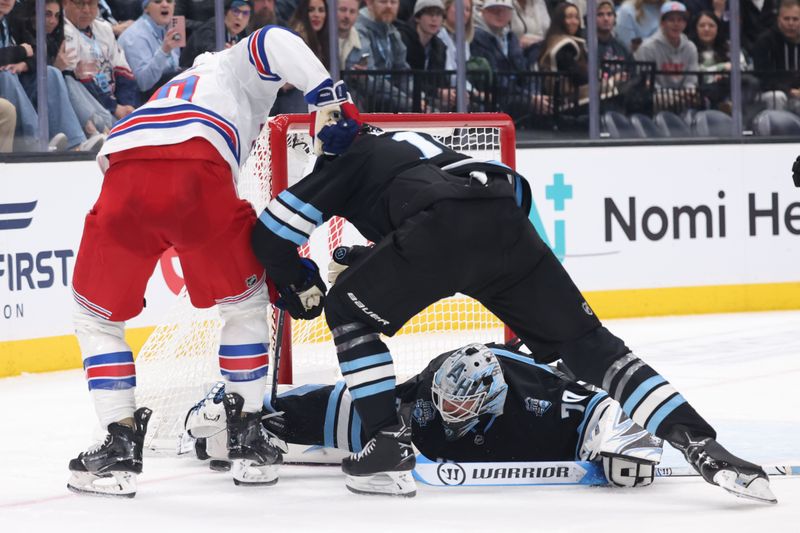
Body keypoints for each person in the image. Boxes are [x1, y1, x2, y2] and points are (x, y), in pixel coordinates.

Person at [249, 124, 776, 503]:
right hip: (503, 219)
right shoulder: (413, 147)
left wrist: (300, 282)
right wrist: (379, 259)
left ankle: (388, 442)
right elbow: (475, 206)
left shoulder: (348, 159)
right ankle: (702, 443)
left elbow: (270, 232)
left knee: (347, 310)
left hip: (440, 228)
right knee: (593, 348)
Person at [66, 24, 361, 498]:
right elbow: (273, 39)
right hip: (199, 167)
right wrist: (328, 93)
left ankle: (118, 446)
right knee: (243, 308)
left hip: (122, 173)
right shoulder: (229, 64)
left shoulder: (166, 89)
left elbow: (111, 159)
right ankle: (246, 435)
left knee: (96, 318)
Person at [187, 342, 666, 492]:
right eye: (446, 401)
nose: (449, 412)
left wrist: (623, 443)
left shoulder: (542, 395)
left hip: (518, 421)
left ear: (487, 398)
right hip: (429, 433)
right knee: (354, 411)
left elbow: (609, 404)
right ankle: (247, 410)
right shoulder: (432, 390)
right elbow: (361, 402)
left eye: (459, 405)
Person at [1, 0, 97, 151]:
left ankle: (74, 143)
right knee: (6, 74)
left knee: (51, 73)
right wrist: (20, 52)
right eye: (46, 14)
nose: (52, 20)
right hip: (6, 82)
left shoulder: (11, 21)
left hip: (15, 83)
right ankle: (37, 142)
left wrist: (25, 64)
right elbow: (24, 50)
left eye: (57, 16)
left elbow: (36, 50)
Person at [63, 0, 139, 121]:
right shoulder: (63, 31)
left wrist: (127, 105)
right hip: (89, 109)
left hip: (116, 106)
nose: (86, 10)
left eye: (91, 3)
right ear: (65, 3)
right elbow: (80, 81)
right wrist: (115, 108)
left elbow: (122, 69)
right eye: (80, 4)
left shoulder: (104, 27)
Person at [118, 0, 183, 99]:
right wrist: (164, 51)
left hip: (165, 93)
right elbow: (143, 84)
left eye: (169, 1)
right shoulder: (135, 36)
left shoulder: (170, 29)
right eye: (158, 1)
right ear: (146, 8)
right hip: (140, 100)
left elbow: (172, 68)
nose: (165, 5)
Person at [634, 1, 699, 93]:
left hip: (684, 100)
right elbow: (647, 83)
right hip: (656, 100)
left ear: (685, 24)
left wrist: (688, 93)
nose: (676, 24)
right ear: (662, 23)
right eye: (671, 20)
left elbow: (691, 81)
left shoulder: (690, 48)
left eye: (680, 20)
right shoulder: (647, 48)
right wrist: (672, 96)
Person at [752, 0, 800, 111]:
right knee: (778, 97)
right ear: (778, 19)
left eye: (795, 19)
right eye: (786, 19)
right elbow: (763, 77)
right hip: (770, 93)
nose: (791, 23)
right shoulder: (764, 42)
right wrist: (789, 90)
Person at [180, 0, 251, 68]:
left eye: (245, 13)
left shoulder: (242, 36)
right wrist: (228, 53)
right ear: (225, 13)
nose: (239, 17)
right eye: (236, 11)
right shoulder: (211, 29)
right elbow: (212, 56)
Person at [510, 0, 550, 66]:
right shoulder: (505, 3)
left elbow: (547, 30)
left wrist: (533, 40)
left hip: (539, 53)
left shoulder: (539, 2)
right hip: (513, 56)